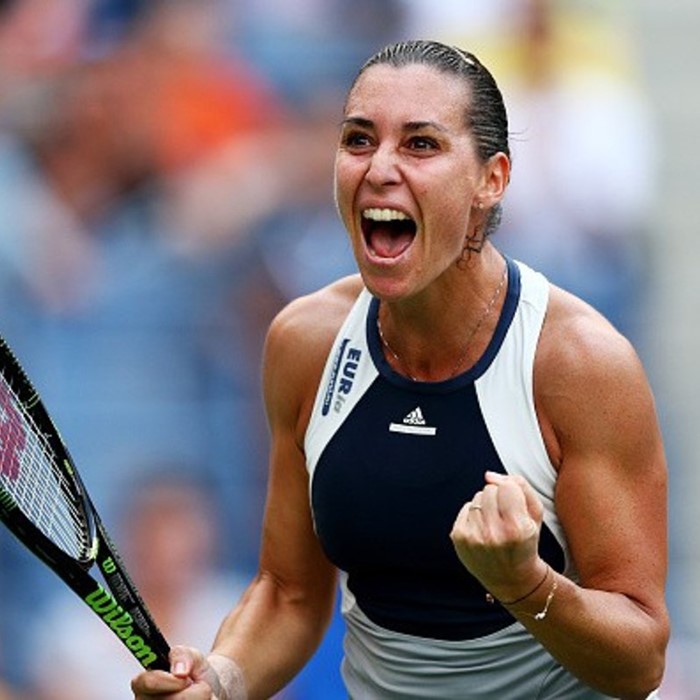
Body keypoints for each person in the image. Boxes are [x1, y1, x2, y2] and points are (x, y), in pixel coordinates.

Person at [131, 39, 669, 700]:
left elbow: (639, 660)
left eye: (420, 144)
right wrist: (221, 678)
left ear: (491, 180)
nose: (379, 167)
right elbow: (289, 593)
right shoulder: (305, 344)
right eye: (358, 140)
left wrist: (526, 585)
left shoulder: (579, 364)